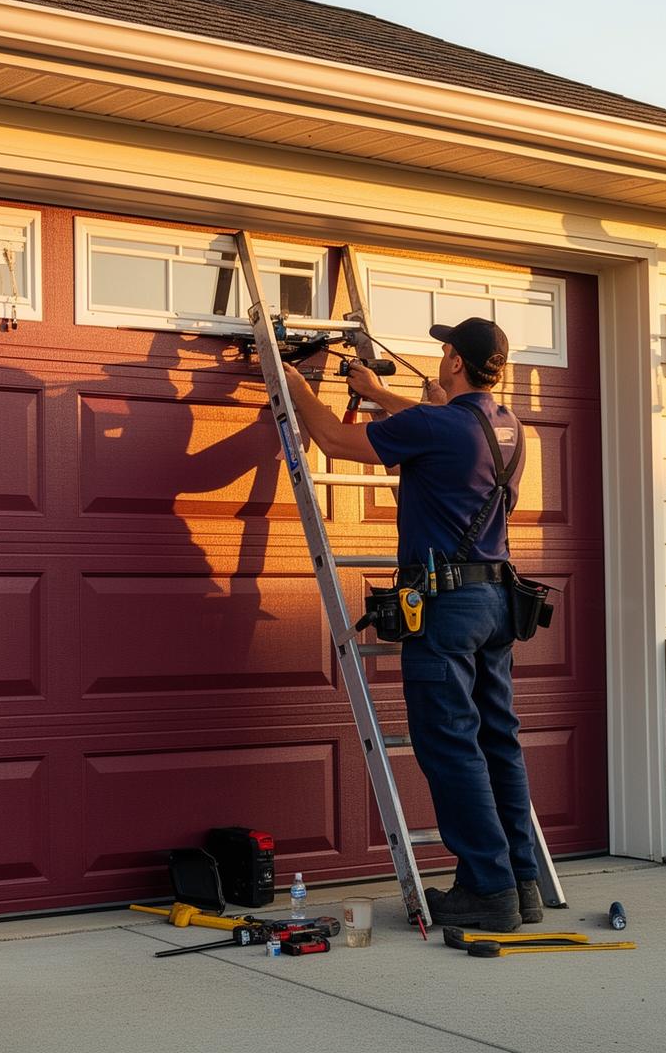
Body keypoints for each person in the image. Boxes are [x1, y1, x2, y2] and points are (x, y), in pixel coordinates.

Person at [277, 316, 539, 933]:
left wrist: (297, 387)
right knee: (496, 738)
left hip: (447, 610)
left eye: (443, 349)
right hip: (498, 603)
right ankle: (521, 882)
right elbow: (443, 427)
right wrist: (378, 394)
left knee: (451, 744)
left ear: (451, 359)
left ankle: (487, 889)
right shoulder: (509, 428)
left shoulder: (438, 425)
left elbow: (336, 444)